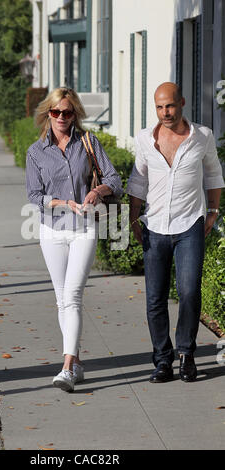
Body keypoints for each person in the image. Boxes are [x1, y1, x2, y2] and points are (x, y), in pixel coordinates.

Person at [26, 87, 123, 392]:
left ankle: (67, 368)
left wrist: (97, 191)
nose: (62, 118)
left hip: (85, 228)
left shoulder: (88, 141)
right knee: (61, 300)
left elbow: (115, 180)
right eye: (56, 112)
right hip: (51, 230)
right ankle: (77, 362)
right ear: (48, 113)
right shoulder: (35, 152)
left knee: (73, 297)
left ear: (75, 113)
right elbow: (34, 196)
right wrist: (62, 203)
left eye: (68, 112)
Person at [126, 82, 224, 383]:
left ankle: (187, 354)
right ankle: (163, 360)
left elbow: (213, 175)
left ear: (181, 102)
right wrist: (132, 219)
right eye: (159, 107)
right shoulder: (144, 139)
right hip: (155, 226)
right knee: (155, 299)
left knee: (190, 291)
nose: (164, 112)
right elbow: (138, 181)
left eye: (169, 105)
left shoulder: (202, 136)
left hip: (189, 225)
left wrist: (213, 212)